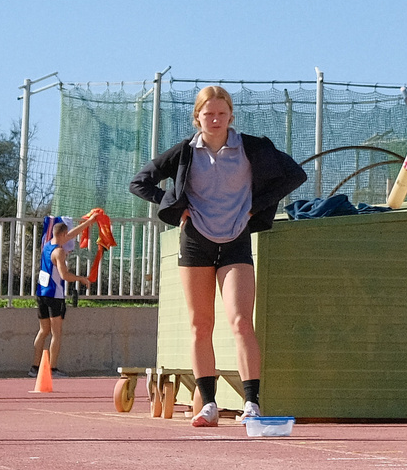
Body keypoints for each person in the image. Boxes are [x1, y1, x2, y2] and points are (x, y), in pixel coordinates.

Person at [129, 85, 308, 425]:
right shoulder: (185, 152)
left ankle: (252, 404)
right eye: (208, 114)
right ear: (197, 117)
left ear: (231, 116)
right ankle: (208, 404)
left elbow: (294, 175)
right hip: (196, 240)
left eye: (222, 114)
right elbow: (140, 182)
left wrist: (255, 207)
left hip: (236, 240)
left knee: (241, 322)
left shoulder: (253, 148)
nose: (215, 119)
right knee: (201, 324)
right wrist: (175, 207)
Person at [33, 216, 78, 380]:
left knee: (43, 331)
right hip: (54, 294)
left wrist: (90, 222)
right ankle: (52, 368)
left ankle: (34, 367)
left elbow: (71, 233)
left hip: (41, 293)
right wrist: (81, 279)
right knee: (56, 333)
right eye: (68, 235)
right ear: (64, 234)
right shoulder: (59, 252)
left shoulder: (47, 246)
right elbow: (64, 275)